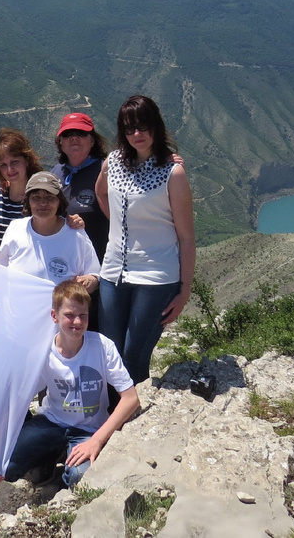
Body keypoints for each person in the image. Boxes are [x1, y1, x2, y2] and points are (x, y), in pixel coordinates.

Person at [0, 280, 139, 490]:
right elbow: (18, 397)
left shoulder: (102, 347)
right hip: (51, 421)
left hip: (88, 428)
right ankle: (48, 455)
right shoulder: (42, 351)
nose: (77, 321)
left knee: (79, 477)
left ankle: (65, 460)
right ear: (54, 316)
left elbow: (131, 399)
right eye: (69, 315)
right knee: (3, 466)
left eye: (83, 315)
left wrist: (97, 440)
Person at [95, 96, 196, 385]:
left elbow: (187, 238)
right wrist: (119, 226)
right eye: (129, 129)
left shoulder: (172, 172)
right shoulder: (113, 162)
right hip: (113, 272)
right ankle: (113, 410)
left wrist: (184, 290)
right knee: (110, 352)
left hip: (156, 276)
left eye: (143, 126)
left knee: (133, 356)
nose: (137, 134)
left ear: (156, 126)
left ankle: (134, 411)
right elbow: (101, 192)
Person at [0, 171, 100, 291]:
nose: (43, 203)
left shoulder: (76, 234)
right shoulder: (15, 229)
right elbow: (1, 272)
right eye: (36, 198)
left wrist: (89, 281)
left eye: (50, 198)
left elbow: (94, 274)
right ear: (28, 201)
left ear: (59, 201)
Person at [50, 113, 112, 263]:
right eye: (67, 134)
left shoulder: (107, 171)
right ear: (60, 142)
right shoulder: (55, 174)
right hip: (63, 262)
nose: (74, 138)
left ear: (92, 140)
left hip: (100, 262)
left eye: (81, 133)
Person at [0, 128, 43, 251]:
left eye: (14, 162)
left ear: (27, 161)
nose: (10, 170)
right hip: (4, 264)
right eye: (3, 165)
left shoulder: (43, 196)